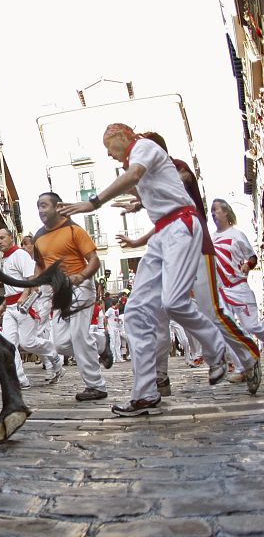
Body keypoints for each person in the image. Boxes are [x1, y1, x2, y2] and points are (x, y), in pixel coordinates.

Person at [59, 123, 257, 417]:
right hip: (164, 233)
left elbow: (142, 175)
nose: (109, 156)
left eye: (109, 148)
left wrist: (93, 203)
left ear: (122, 138)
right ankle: (146, 393)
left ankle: (221, 352)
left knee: (178, 302)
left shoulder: (144, 147)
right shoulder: (141, 161)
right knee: (137, 311)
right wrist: (139, 206)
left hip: (183, 229)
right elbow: (152, 187)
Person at [34, 191, 111, 401]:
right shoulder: (39, 237)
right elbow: (40, 265)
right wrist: (33, 287)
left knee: (78, 335)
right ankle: (102, 343)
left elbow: (94, 259)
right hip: (59, 291)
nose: (40, 210)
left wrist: (81, 276)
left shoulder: (73, 229)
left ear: (58, 207)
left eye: (44, 205)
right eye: (38, 206)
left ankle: (96, 386)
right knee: (60, 344)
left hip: (82, 286)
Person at [0, 228, 64, 387]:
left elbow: (31, 278)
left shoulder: (20, 254)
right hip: (11, 307)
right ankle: (19, 379)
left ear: (11, 238)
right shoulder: (5, 259)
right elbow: (10, 288)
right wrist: (3, 306)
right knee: (7, 344)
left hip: (25, 306)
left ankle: (54, 356)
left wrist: (25, 296)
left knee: (28, 342)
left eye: (2, 238)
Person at [210, 198, 264, 378]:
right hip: (221, 291)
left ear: (226, 213)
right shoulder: (212, 238)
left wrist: (248, 265)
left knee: (252, 326)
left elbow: (252, 256)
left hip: (239, 287)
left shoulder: (237, 235)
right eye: (211, 211)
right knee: (228, 329)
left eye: (216, 210)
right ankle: (243, 368)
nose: (213, 213)